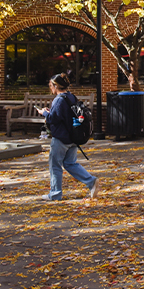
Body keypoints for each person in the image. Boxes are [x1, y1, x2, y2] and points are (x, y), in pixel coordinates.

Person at [38, 73, 100, 201]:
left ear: (55, 86)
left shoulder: (59, 99)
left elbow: (53, 118)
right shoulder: (71, 97)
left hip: (61, 138)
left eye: (51, 86)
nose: (50, 88)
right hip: (73, 136)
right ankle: (91, 181)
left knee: (55, 165)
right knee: (70, 163)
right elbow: (65, 115)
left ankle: (55, 194)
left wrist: (44, 113)